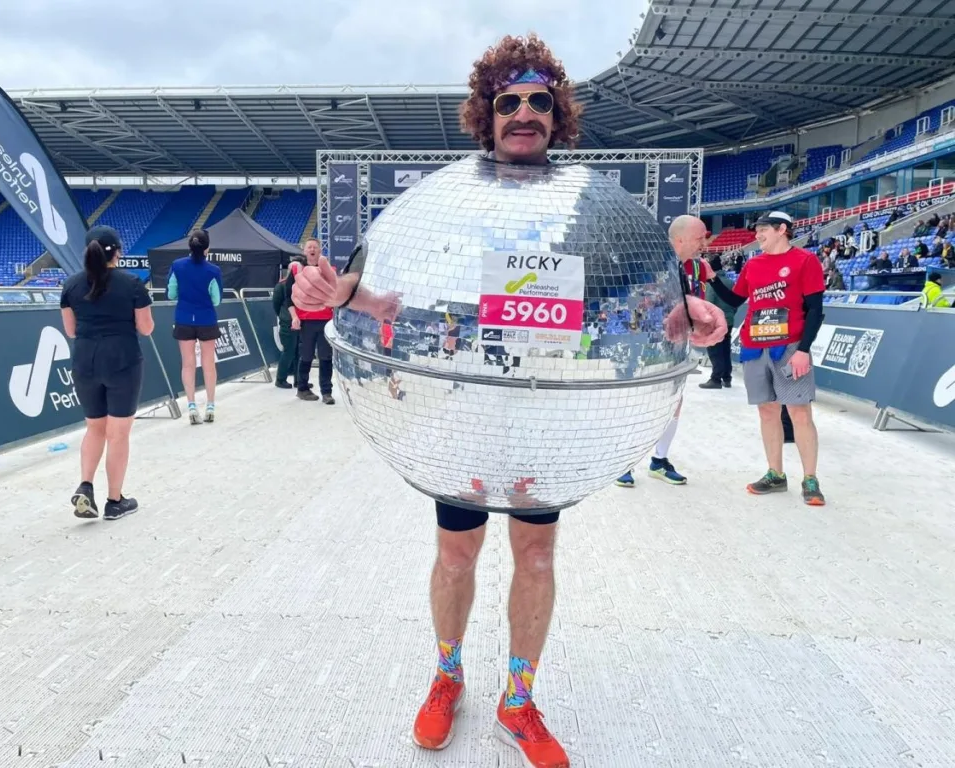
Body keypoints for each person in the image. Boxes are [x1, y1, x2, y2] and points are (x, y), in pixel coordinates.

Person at [288, 34, 725, 768]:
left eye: (539, 101)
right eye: (508, 102)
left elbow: (638, 314)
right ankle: (447, 676)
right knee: (455, 555)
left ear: (559, 115)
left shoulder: (585, 214)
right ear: (485, 116)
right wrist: (347, 294)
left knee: (538, 556)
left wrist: (696, 324)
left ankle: (518, 699)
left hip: (546, 426)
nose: (524, 113)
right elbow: (401, 305)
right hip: (466, 419)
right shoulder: (455, 212)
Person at [706, 211, 827, 506]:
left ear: (781, 229)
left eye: (762, 230)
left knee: (799, 413)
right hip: (755, 346)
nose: (756, 236)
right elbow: (736, 300)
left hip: (789, 347)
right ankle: (775, 474)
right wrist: (713, 278)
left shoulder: (805, 261)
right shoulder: (754, 264)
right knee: (767, 412)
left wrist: (803, 350)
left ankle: (810, 478)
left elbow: (815, 310)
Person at [60, 225, 154, 521]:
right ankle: (115, 500)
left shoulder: (71, 286)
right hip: (122, 361)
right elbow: (146, 328)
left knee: (94, 428)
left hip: (86, 361)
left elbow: (71, 331)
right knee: (118, 434)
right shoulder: (133, 284)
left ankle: (86, 485)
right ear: (118, 252)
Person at [617, 213, 714, 488]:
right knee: (635, 403)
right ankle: (624, 464)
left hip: (675, 347)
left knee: (674, 403)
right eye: (699, 238)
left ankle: (659, 460)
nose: (703, 245)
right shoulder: (649, 263)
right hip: (643, 346)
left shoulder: (690, 268)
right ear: (680, 239)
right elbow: (631, 305)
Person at [166, 229, 223, 424]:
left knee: (188, 364)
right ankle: (210, 405)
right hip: (206, 318)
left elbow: (171, 294)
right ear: (207, 248)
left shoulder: (177, 266)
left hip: (183, 318)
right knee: (208, 363)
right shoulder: (213, 270)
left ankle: (191, 406)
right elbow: (216, 300)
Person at [284, 238, 335, 405]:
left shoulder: (329, 270)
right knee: (305, 356)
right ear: (304, 251)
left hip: (326, 320)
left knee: (326, 357)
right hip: (306, 321)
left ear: (320, 251)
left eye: (315, 247)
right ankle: (302, 388)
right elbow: (288, 298)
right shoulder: (296, 271)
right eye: (309, 247)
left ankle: (326, 392)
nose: (312, 249)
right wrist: (294, 317)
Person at [699, 253, 737, 389]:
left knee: (715, 349)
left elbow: (708, 304)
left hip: (715, 323)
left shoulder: (712, 284)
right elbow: (735, 302)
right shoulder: (731, 282)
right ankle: (727, 378)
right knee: (725, 349)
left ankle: (716, 379)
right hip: (730, 320)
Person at [272, 260, 301, 388]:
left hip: (300, 321)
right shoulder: (281, 286)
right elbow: (276, 304)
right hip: (287, 322)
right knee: (289, 351)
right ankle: (280, 379)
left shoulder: (301, 285)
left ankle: (298, 379)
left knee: (299, 352)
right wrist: (284, 316)